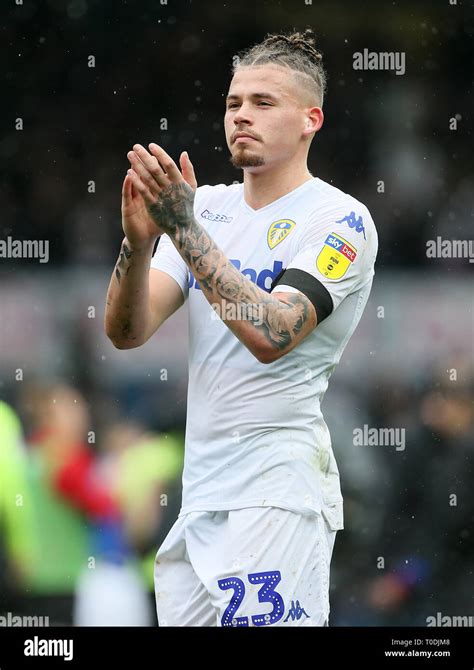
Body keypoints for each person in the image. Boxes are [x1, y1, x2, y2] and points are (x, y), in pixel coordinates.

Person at [105, 28, 378, 627]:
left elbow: (273, 336)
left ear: (312, 119)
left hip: (277, 496)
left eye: (263, 103)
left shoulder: (340, 220)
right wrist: (138, 242)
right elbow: (127, 331)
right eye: (233, 104)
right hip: (201, 498)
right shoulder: (206, 208)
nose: (241, 117)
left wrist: (184, 229)